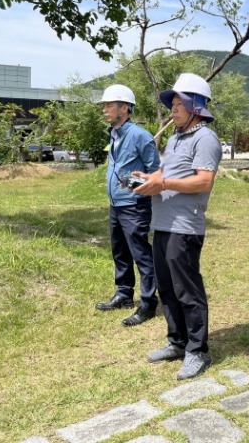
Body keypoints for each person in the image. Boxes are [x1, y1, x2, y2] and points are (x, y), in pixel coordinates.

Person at [133, 73, 222, 379]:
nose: (173, 109)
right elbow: (166, 172)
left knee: (187, 289)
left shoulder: (205, 138)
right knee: (166, 287)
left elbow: (204, 180)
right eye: (171, 103)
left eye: (178, 103)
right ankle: (178, 341)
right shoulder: (174, 138)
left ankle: (198, 351)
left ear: (195, 105)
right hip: (163, 223)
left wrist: (164, 182)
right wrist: (149, 180)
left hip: (185, 226)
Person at [96, 84, 161, 327]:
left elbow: (153, 173)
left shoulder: (140, 136)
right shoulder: (114, 134)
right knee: (120, 252)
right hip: (116, 205)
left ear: (125, 107)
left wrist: (126, 184)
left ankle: (147, 303)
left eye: (109, 105)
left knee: (141, 255)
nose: (104, 109)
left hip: (134, 206)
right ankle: (123, 294)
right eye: (104, 105)